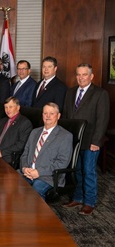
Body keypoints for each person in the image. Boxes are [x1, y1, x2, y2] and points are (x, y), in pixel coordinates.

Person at [62, 63, 110, 215]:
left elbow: (102, 119)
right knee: (77, 171)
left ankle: (89, 202)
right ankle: (78, 197)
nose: (81, 78)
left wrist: (96, 141)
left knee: (88, 171)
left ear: (91, 76)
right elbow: (66, 117)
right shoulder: (70, 92)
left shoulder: (100, 94)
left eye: (84, 74)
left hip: (91, 140)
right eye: (78, 74)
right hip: (74, 140)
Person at [19, 102, 73, 199]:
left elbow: (62, 163)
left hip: (48, 177)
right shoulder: (35, 132)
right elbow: (25, 154)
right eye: (45, 113)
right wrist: (24, 168)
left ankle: (38, 214)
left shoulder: (65, 136)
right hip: (28, 172)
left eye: (51, 114)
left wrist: (39, 172)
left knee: (35, 191)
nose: (48, 116)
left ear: (58, 116)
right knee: (10, 181)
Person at [0, 97, 32, 166]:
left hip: (8, 158)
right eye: (6, 107)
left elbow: (21, 144)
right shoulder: (3, 121)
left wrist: (2, 152)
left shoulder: (25, 123)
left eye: (10, 107)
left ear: (18, 107)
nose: (8, 110)